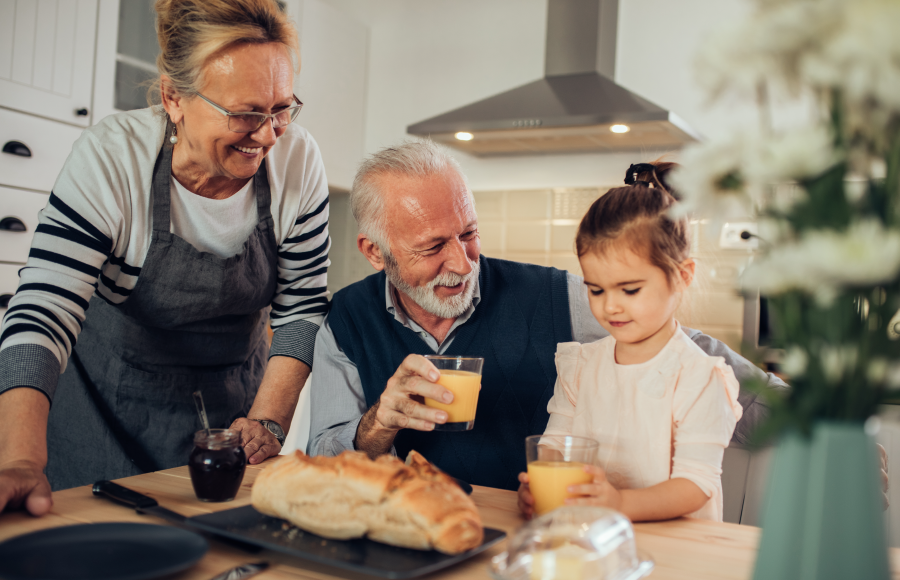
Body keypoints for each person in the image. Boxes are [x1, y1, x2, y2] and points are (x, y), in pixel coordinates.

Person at [0, 0, 330, 515]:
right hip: (106, 413)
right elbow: (43, 309)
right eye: (245, 114)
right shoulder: (113, 158)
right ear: (174, 97)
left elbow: (303, 307)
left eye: (281, 109)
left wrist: (268, 421)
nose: (268, 135)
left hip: (229, 420)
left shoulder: (298, 161)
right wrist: (19, 458)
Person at [307, 141, 785, 491]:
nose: (461, 262)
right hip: (400, 534)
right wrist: (378, 424)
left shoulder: (558, 297)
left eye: (469, 233)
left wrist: (811, 412)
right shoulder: (346, 321)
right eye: (433, 246)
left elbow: (679, 350)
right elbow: (321, 461)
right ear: (375, 251)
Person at [516, 165, 742, 522]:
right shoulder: (581, 366)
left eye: (630, 289)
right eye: (596, 289)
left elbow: (695, 484)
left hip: (677, 554)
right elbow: (555, 445)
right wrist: (542, 486)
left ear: (682, 276)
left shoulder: (700, 377)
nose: (610, 306)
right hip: (593, 544)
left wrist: (620, 504)